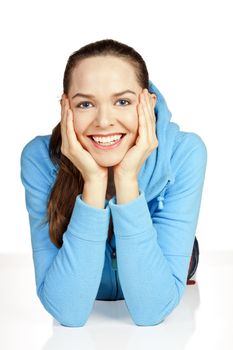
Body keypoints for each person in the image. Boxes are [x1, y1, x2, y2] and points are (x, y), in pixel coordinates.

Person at [20, 39, 207, 327]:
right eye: (85, 104)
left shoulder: (185, 152)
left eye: (122, 101)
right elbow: (67, 313)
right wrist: (94, 181)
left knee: (181, 259)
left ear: (147, 103)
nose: (104, 121)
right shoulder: (38, 159)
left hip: (157, 246)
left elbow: (151, 311)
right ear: (65, 107)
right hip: (90, 261)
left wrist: (127, 178)